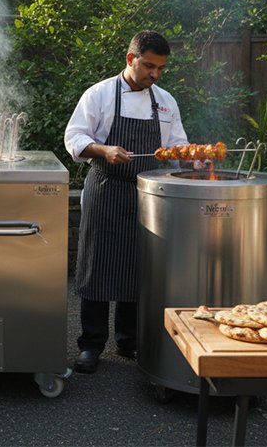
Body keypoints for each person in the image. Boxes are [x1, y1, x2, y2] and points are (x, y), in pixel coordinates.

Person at [63, 30, 189, 374]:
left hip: (149, 194)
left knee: (138, 268)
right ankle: (90, 345)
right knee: (96, 266)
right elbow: (74, 137)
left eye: (161, 69)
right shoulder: (100, 94)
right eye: (149, 66)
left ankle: (129, 341)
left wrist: (193, 162)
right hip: (107, 188)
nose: (155, 74)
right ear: (131, 59)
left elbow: (177, 148)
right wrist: (104, 149)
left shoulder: (165, 101)